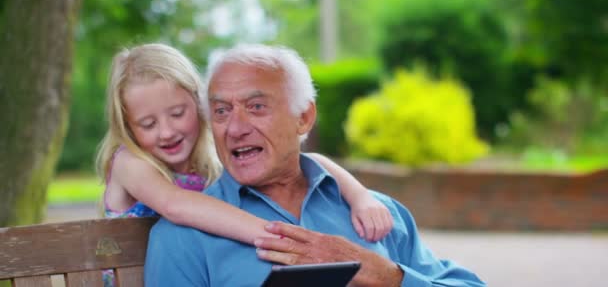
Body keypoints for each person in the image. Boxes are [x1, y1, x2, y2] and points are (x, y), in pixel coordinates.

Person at [144, 44, 486, 286]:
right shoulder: (182, 238)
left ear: (304, 117)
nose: (235, 128)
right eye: (221, 111)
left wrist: (387, 277)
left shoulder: (379, 214)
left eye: (257, 107)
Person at [97, 44, 393, 286]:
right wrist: (286, 239)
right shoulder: (129, 162)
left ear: (201, 108)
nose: (166, 131)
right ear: (127, 127)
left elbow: (312, 160)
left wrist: (360, 197)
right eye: (147, 124)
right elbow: (175, 205)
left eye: (177, 113)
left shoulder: (210, 159)